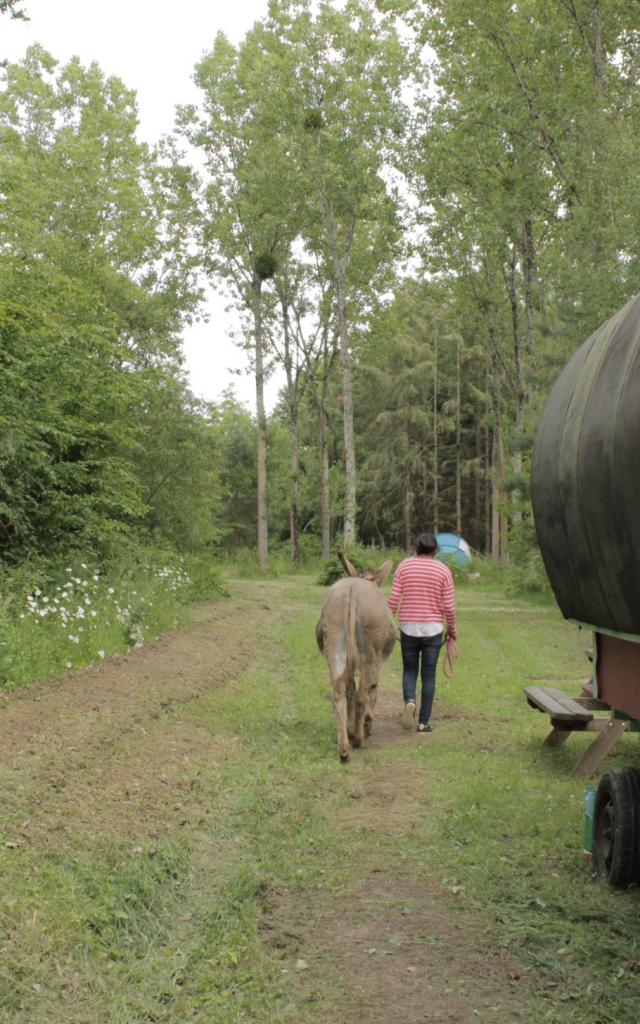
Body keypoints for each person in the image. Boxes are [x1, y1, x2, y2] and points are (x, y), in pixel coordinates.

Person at [388, 532, 457, 734]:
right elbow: (449, 608)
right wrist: (452, 631)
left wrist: (389, 622)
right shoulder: (443, 570)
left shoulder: (404, 566)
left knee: (409, 670)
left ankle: (410, 700)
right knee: (429, 675)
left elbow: (393, 601)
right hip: (433, 629)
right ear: (435, 550)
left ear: (416, 548)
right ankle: (423, 722)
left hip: (408, 627)